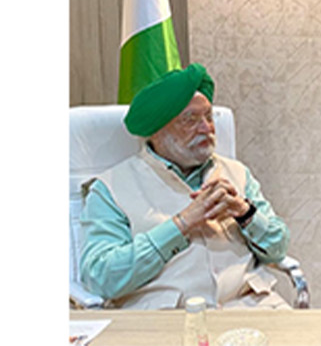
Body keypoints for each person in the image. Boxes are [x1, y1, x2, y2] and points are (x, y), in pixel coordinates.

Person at [79, 64, 291, 309]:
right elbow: (101, 277)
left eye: (208, 117)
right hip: (169, 319)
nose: (207, 128)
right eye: (190, 120)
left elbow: (278, 249)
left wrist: (245, 213)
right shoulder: (110, 188)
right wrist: (181, 224)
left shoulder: (237, 173)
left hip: (252, 307)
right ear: (156, 131)